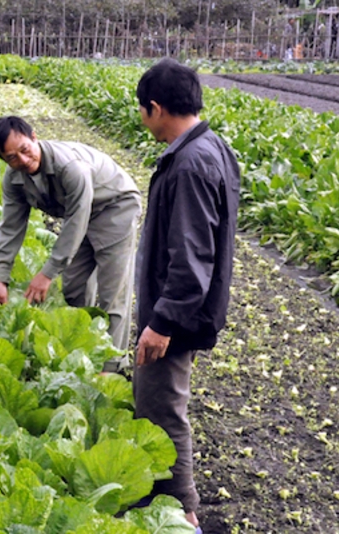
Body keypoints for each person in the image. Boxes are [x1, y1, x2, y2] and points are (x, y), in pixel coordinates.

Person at [134, 58, 240, 531]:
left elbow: (192, 259)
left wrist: (161, 324)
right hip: (187, 312)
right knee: (165, 403)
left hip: (176, 315)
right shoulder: (211, 147)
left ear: (156, 108)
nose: (142, 118)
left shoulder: (190, 163)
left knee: (162, 411)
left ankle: (182, 518)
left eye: (143, 109)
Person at [0, 116, 141, 361]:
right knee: (73, 288)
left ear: (34, 137)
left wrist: (47, 273)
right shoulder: (14, 179)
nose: (23, 160)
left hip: (113, 208)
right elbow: (11, 226)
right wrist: (1, 278)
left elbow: (78, 219)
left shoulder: (70, 167)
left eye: (25, 150)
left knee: (112, 293)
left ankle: (111, 366)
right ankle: (82, 353)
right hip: (78, 216)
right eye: (12, 158)